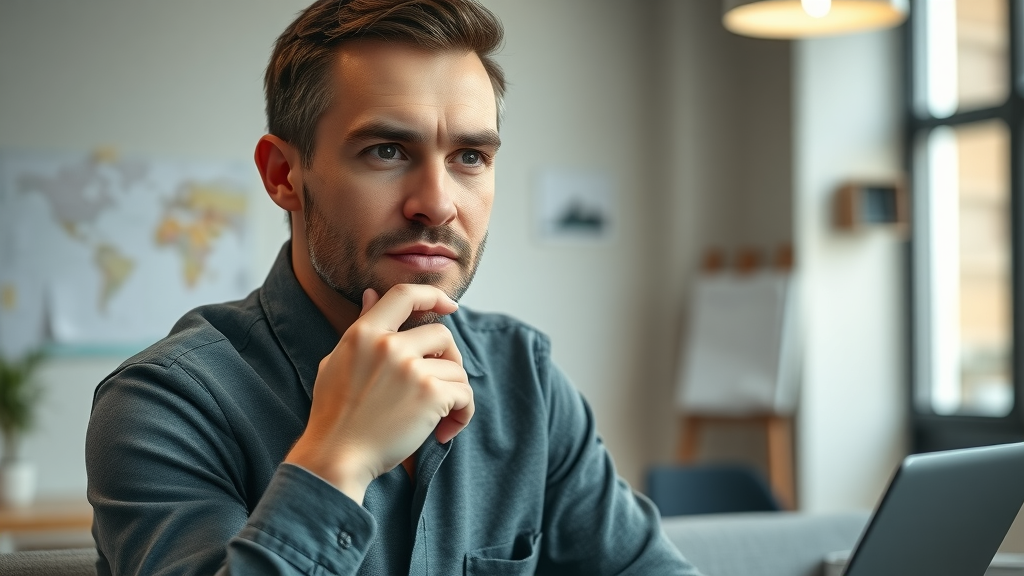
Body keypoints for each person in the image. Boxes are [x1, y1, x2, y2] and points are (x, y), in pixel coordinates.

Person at [86, 1, 702, 574]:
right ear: (283, 175)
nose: (436, 204)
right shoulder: (164, 405)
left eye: (469, 157)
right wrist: (339, 458)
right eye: (386, 150)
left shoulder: (526, 380)